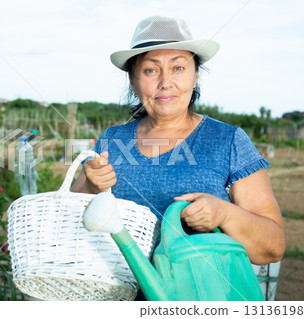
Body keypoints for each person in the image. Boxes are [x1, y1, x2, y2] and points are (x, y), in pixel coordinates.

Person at [71, 16, 286, 266]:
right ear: (133, 81)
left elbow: (273, 248)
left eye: (178, 68)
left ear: (195, 78)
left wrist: (225, 214)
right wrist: (90, 187)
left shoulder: (228, 141)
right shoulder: (111, 140)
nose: (165, 83)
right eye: (151, 70)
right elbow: (72, 223)